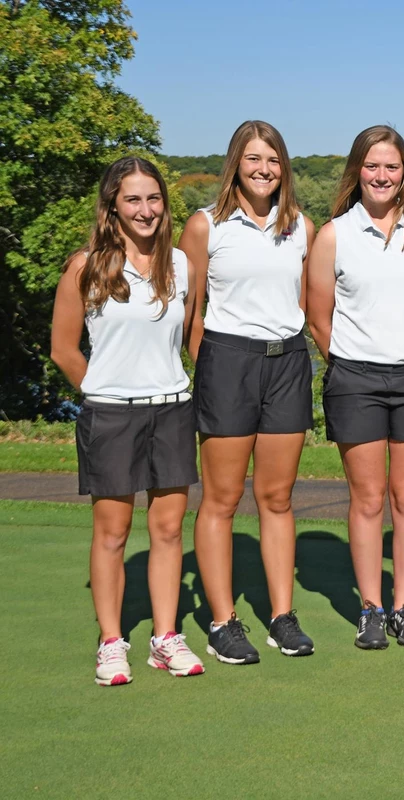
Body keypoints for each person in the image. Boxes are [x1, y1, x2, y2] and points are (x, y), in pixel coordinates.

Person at [51, 157, 204, 685]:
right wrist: (103, 391)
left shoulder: (181, 264)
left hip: (173, 410)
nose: (146, 210)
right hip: (111, 416)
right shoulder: (85, 266)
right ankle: (112, 643)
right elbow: (64, 350)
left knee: (166, 530)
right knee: (112, 533)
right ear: (112, 204)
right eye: (133, 199)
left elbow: (194, 336)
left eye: (154, 198)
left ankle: (166, 639)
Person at [178, 120, 316, 664]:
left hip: (287, 363)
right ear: (236, 162)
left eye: (274, 160)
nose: (264, 170)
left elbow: (303, 302)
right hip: (227, 362)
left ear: (284, 168)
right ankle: (222, 621)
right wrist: (211, 369)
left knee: (278, 499)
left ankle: (282, 617)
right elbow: (189, 318)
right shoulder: (205, 226)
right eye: (254, 159)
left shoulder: (300, 226)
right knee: (221, 499)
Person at [307, 125, 404, 650]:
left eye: (391, 167)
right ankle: (370, 607)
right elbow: (317, 317)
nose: (382, 176)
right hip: (355, 379)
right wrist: (352, 360)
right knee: (367, 499)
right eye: (372, 166)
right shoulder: (334, 235)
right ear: (357, 172)